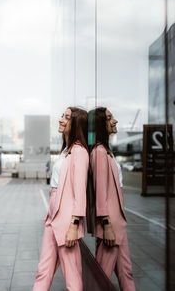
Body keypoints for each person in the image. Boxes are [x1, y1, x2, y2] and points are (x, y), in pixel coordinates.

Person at [33, 107, 89, 291]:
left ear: (76, 124)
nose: (61, 120)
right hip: (53, 217)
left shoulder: (80, 152)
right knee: (43, 271)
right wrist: (50, 213)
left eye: (66, 117)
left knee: (72, 277)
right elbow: (56, 188)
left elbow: (80, 193)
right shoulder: (66, 150)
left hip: (67, 223)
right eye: (62, 116)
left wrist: (74, 225)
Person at [90, 107, 136, 291]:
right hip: (110, 224)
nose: (115, 121)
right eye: (109, 118)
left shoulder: (106, 152)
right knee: (101, 277)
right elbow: (100, 192)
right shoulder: (99, 152)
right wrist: (107, 224)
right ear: (102, 123)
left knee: (126, 271)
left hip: (118, 223)